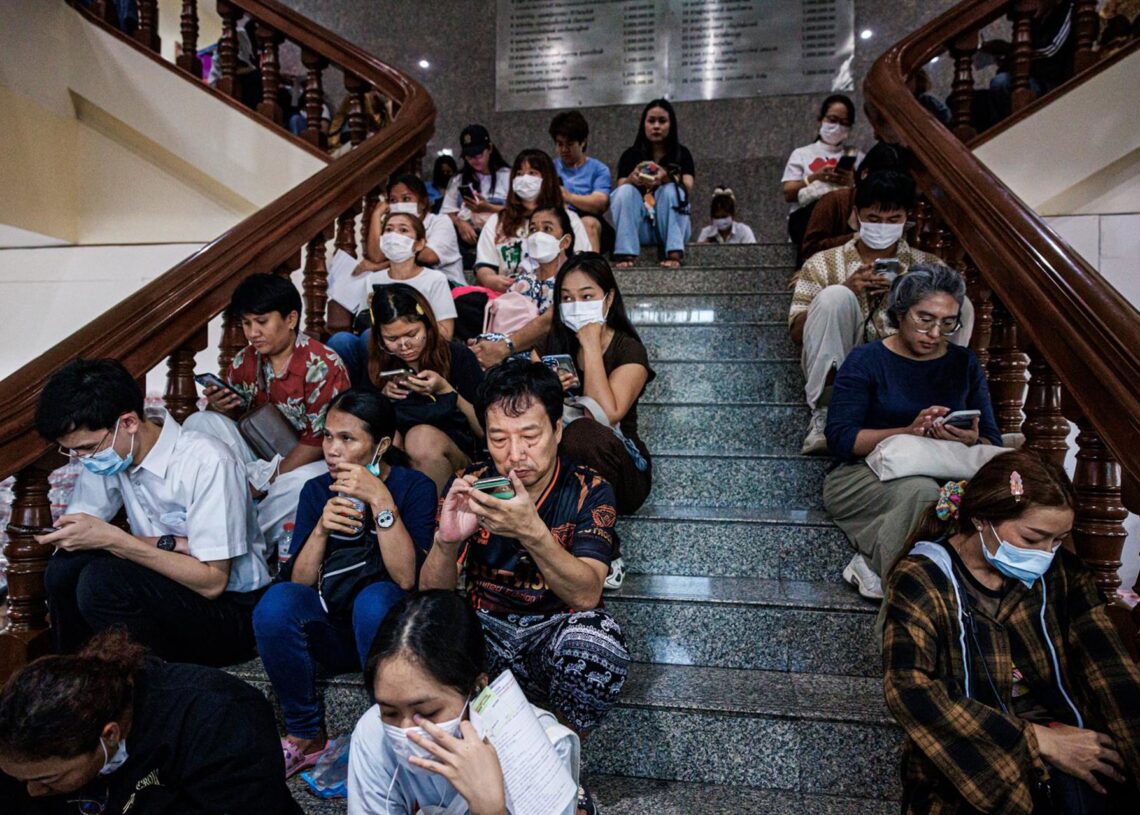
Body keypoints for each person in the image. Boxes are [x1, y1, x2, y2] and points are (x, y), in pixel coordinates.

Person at [884, 449, 1140, 814]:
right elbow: (909, 690)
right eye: (1032, 539)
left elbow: (1110, 670)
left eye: (1057, 540)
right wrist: (1038, 740)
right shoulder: (923, 579)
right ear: (981, 519)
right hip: (971, 755)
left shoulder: (1061, 575)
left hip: (1066, 736)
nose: (1045, 553)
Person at [420, 359, 629, 736]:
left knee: (598, 641)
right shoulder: (471, 484)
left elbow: (586, 595)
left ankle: (563, 747)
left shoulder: (590, 490)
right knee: (419, 627)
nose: (515, 454)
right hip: (485, 633)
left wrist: (532, 533)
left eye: (530, 436)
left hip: (553, 633)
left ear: (557, 430)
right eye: (499, 439)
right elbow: (432, 597)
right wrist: (446, 542)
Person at [34, 358, 271, 665]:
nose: (83, 459)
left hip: (231, 610)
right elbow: (84, 525)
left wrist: (116, 540)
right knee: (65, 567)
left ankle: (149, 680)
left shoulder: (208, 461)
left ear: (129, 423)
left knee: (102, 581)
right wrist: (71, 535)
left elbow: (212, 582)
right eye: (74, 450)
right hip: (168, 582)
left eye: (88, 448)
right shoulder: (112, 452)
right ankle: (76, 675)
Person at [253, 389, 438, 777]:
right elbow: (300, 582)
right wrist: (321, 528)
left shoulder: (415, 487)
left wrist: (381, 501)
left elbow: (407, 578)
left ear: (381, 446)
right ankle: (305, 733)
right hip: (333, 629)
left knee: (375, 599)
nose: (332, 450)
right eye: (327, 436)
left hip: (390, 635)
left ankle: (385, 733)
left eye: (347, 439)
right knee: (276, 602)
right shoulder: (316, 490)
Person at [823, 264, 1000, 600]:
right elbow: (841, 439)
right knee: (925, 495)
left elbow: (993, 439)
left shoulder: (963, 363)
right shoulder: (866, 360)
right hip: (864, 473)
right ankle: (907, 601)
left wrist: (971, 439)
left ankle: (876, 565)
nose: (934, 333)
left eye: (947, 323)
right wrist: (908, 432)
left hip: (946, 466)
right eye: (925, 319)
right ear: (900, 313)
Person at [0, 630, 302, 814]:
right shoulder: (21, 755)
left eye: (47, 780)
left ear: (109, 736)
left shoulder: (217, 719)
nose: (33, 791)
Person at [347, 590, 585, 815]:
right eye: (390, 713)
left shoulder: (541, 749)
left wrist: (490, 810)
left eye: (427, 713)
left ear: (476, 689)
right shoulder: (374, 732)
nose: (406, 731)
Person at [788, 171, 974, 456]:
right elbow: (796, 332)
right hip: (845, 374)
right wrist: (848, 289)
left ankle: (941, 410)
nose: (883, 227)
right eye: (874, 219)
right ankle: (827, 413)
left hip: (905, 371)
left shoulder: (928, 266)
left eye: (893, 219)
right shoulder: (822, 263)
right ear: (855, 216)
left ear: (906, 219)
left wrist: (905, 297)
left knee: (962, 305)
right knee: (834, 297)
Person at [184, 273, 351, 555]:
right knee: (199, 422)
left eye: (262, 322)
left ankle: (244, 542)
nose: (253, 333)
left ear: (291, 319)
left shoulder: (322, 365)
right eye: (246, 323)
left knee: (297, 485)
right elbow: (235, 421)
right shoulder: (245, 360)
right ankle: (210, 520)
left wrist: (268, 480)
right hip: (262, 453)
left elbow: (316, 442)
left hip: (315, 460)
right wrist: (219, 406)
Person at [543, 252, 654, 591]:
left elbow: (605, 415)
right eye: (566, 298)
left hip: (621, 469)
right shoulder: (555, 342)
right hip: (562, 464)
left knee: (583, 434)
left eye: (586, 296)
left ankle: (605, 549)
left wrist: (591, 344)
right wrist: (547, 388)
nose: (576, 305)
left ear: (608, 299)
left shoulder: (628, 349)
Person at [363, 285, 485, 492]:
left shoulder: (458, 356)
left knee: (421, 439)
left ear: (427, 324)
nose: (404, 345)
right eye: (392, 339)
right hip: (402, 453)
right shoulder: (378, 364)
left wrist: (446, 389)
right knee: (388, 439)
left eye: (412, 334)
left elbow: (484, 430)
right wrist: (382, 399)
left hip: (458, 455)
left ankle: (437, 511)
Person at [327, 212, 460, 384]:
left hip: (416, 346)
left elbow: (446, 333)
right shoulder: (372, 279)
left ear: (419, 244)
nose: (394, 235)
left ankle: (376, 388)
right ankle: (357, 391)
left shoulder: (435, 279)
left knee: (369, 336)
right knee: (340, 340)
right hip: (380, 344)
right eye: (389, 230)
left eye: (403, 230)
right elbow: (364, 320)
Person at [469, 204, 576, 370]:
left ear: (565, 241)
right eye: (533, 229)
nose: (538, 235)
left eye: (547, 229)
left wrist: (503, 347)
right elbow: (505, 323)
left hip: (550, 357)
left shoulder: (574, 278)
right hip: (510, 353)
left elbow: (549, 322)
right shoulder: (523, 281)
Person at [473, 148, 592, 286]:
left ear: (547, 179)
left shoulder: (569, 219)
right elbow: (485, 265)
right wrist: (491, 280)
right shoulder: (497, 221)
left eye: (532, 173)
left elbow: (584, 263)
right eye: (519, 174)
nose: (524, 179)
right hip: (507, 293)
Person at [611, 98, 695, 269]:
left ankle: (674, 254)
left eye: (662, 121)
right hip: (641, 228)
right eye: (651, 121)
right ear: (644, 124)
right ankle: (625, 254)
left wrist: (666, 178)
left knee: (672, 190)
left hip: (673, 228)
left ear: (671, 125)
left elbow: (687, 187)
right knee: (624, 191)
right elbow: (620, 187)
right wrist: (631, 180)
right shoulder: (630, 155)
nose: (656, 126)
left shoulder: (682, 153)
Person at [781, 94, 863, 259]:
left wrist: (851, 183)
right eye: (832, 120)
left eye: (844, 123)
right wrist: (815, 178)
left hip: (842, 226)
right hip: (806, 223)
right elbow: (788, 193)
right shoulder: (801, 154)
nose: (837, 127)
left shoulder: (858, 157)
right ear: (820, 120)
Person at [800, 143, 908, 261]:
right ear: (865, 174)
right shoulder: (836, 201)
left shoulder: (903, 206)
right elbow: (809, 250)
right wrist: (857, 238)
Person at [356, 174, 464, 287]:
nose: (399, 205)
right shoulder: (394, 228)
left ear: (422, 203)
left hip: (449, 286)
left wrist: (380, 267)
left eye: (406, 199)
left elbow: (428, 257)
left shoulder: (440, 221)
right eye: (393, 200)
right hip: (410, 286)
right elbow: (377, 257)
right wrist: (376, 214)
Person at [440, 124, 511, 262]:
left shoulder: (508, 176)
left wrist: (488, 208)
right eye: (469, 156)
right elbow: (447, 211)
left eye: (478, 155)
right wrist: (460, 223)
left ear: (489, 148)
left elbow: (519, 211)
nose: (475, 160)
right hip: (470, 241)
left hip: (502, 239)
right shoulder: (459, 180)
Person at [550, 110, 613, 252]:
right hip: (560, 217)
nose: (564, 149)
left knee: (587, 224)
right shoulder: (550, 168)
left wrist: (569, 197)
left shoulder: (599, 169)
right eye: (560, 144)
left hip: (590, 218)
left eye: (569, 144)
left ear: (583, 142)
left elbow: (601, 202)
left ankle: (591, 265)